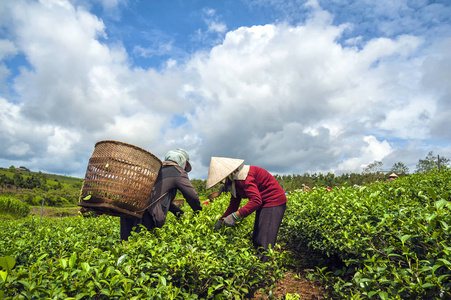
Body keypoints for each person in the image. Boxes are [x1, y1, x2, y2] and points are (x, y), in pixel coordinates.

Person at [206, 157, 287, 262]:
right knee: (257, 237)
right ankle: (257, 264)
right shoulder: (233, 181)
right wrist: (221, 220)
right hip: (264, 203)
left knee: (264, 239)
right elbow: (233, 205)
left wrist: (235, 216)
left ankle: (264, 268)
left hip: (273, 201)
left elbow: (256, 201)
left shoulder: (244, 177)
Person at [120, 148, 202, 241]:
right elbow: (192, 196)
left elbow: (162, 199)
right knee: (143, 250)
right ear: (183, 162)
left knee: (126, 247)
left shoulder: (155, 169)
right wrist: (198, 212)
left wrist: (180, 213)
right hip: (147, 216)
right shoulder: (178, 171)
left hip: (128, 212)